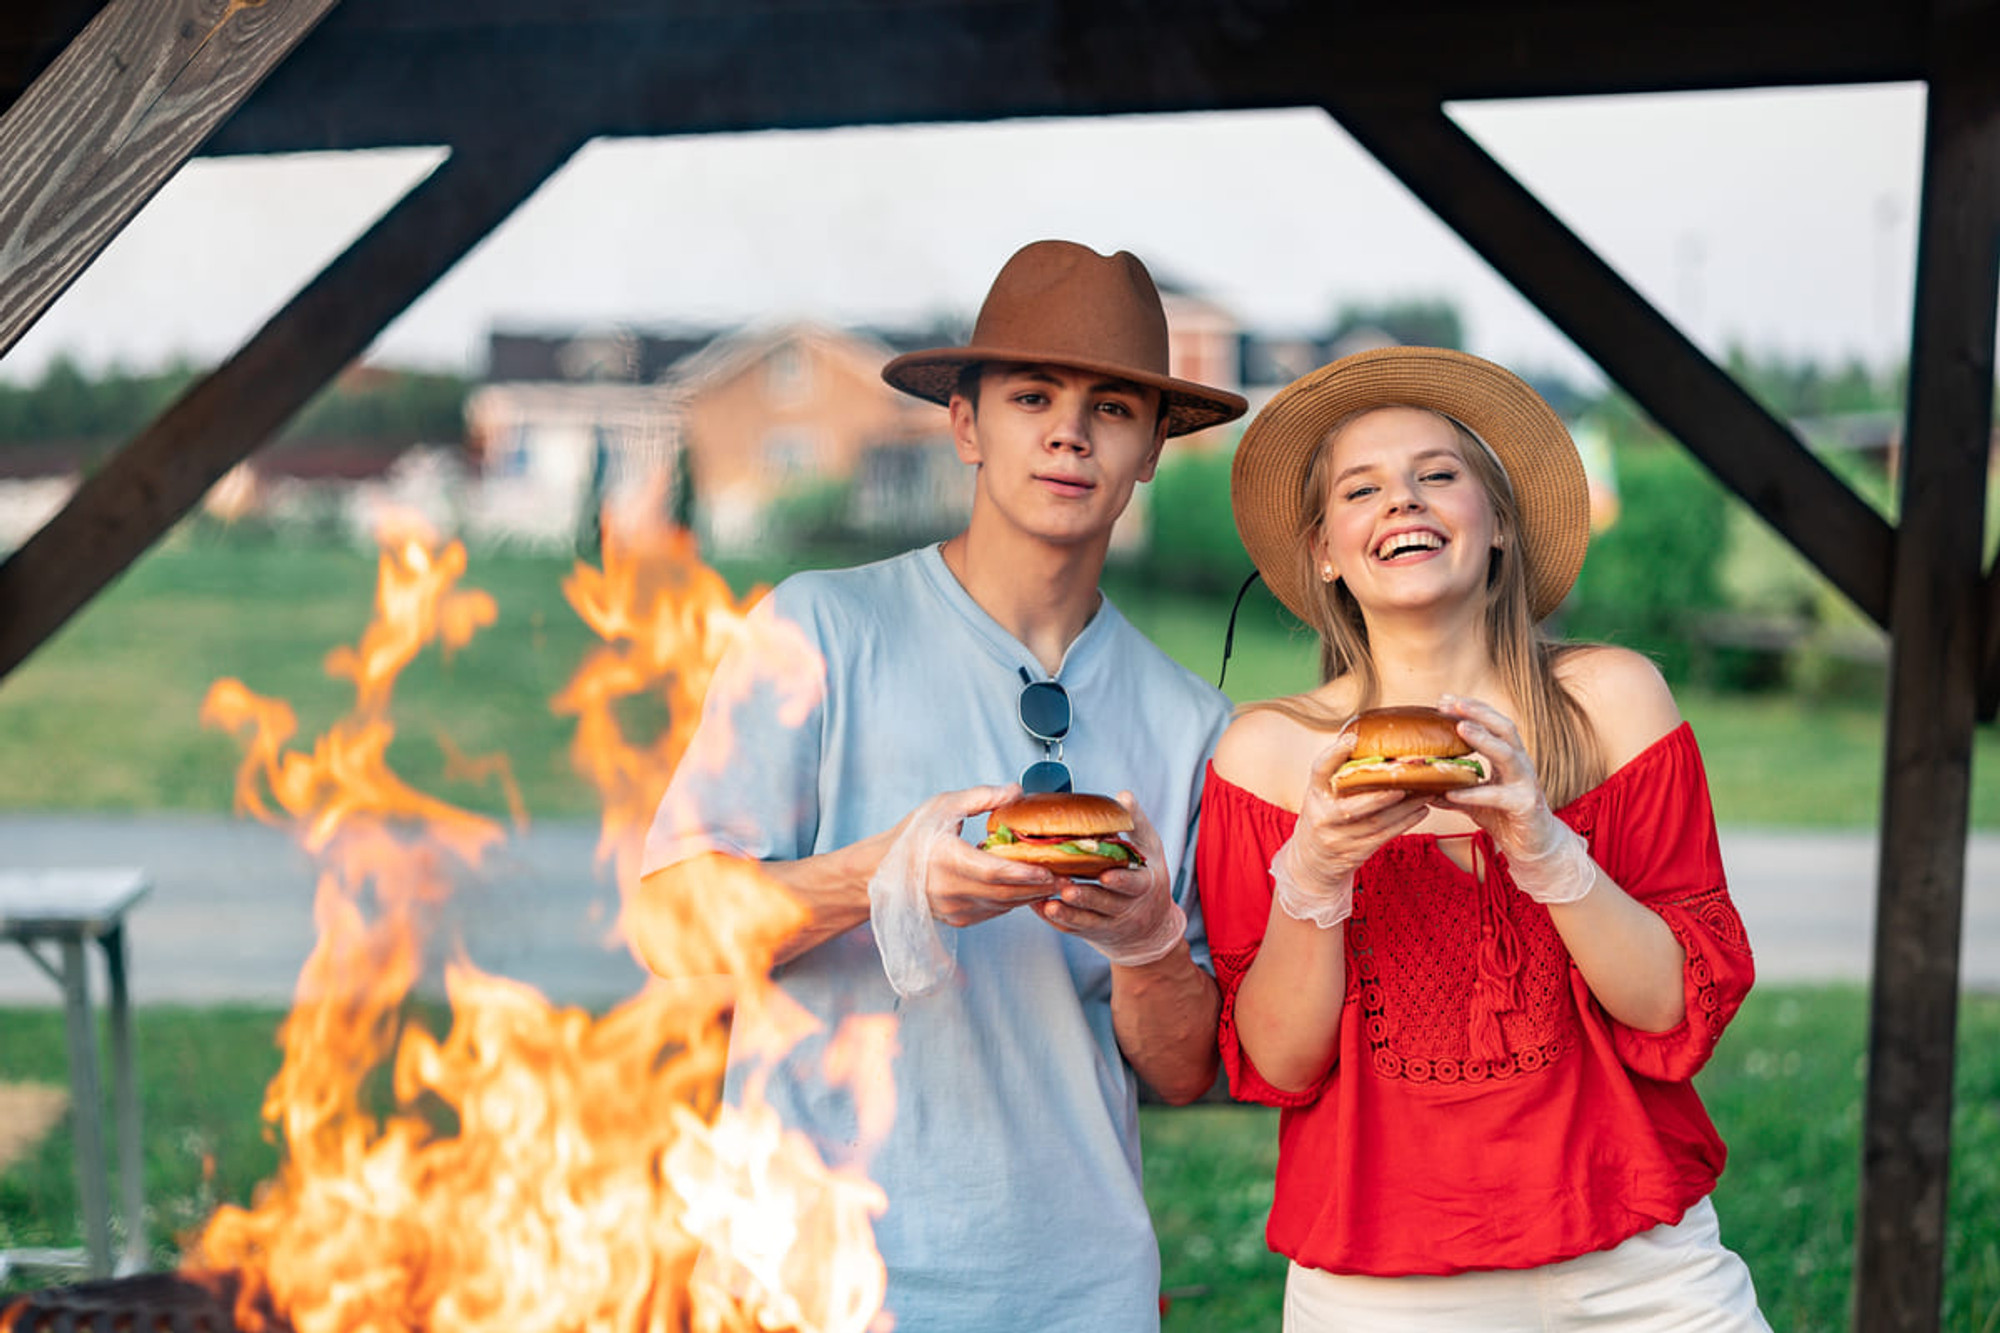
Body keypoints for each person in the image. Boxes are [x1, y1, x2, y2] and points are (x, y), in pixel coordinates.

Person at [640, 239, 1248, 1331]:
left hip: (1074, 1288)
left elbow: (1182, 1065)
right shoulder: (817, 627)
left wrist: (1148, 939)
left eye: (1112, 407)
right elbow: (671, 931)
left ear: (1152, 446)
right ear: (965, 424)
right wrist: (887, 873)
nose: (1068, 430)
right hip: (807, 1275)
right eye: (1031, 396)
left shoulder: (1191, 721)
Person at [1200, 346, 1769, 1330]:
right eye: (1360, 488)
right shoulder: (1267, 751)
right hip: (1378, 1284)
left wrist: (1548, 851)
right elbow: (1281, 1063)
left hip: (1637, 1265)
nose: (1401, 502)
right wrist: (1313, 874)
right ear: (1325, 549)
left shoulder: (1609, 702)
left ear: (1497, 521)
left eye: (1437, 474)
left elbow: (1674, 1010)